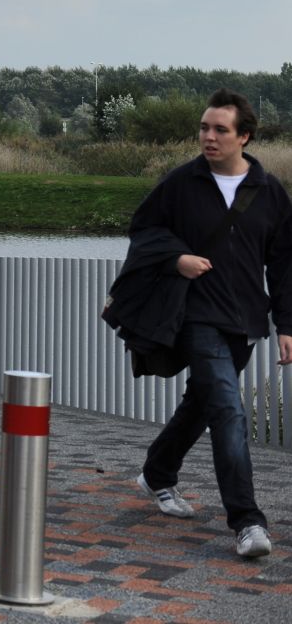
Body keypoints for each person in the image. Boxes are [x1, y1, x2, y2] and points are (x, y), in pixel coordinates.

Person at [121, 89, 292, 559]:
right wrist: (175, 259)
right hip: (196, 315)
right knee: (228, 409)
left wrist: (287, 324)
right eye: (204, 127)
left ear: (245, 137)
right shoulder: (181, 183)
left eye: (220, 129)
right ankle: (247, 522)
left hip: (246, 321)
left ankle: (156, 474)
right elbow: (143, 232)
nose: (208, 137)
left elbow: (283, 264)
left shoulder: (270, 192)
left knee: (202, 402)